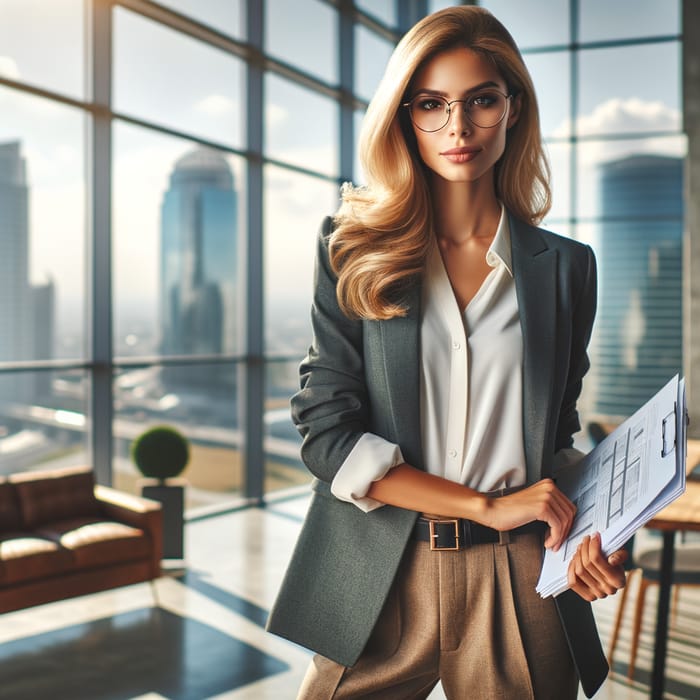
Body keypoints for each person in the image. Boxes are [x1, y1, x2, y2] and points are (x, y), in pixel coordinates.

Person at [267, 6, 628, 699]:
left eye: (481, 101)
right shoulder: (352, 249)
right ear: (403, 116)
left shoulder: (566, 269)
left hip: (520, 578)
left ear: (513, 108)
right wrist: (481, 504)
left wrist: (599, 529)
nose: (457, 129)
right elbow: (327, 433)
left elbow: (553, 440)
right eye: (431, 105)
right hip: (382, 569)